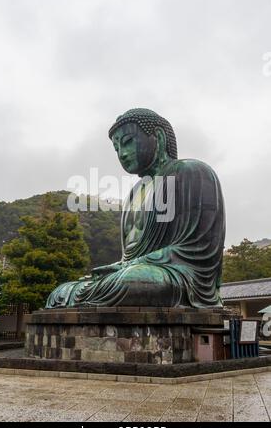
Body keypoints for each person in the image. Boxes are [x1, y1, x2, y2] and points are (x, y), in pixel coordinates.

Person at [46, 108, 225, 308]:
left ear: (158, 137)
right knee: (60, 292)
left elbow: (199, 249)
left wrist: (129, 266)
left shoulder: (192, 171)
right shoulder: (134, 193)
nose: (122, 154)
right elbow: (128, 256)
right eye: (117, 149)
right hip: (133, 271)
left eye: (128, 142)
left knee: (133, 280)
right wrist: (121, 266)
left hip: (179, 276)